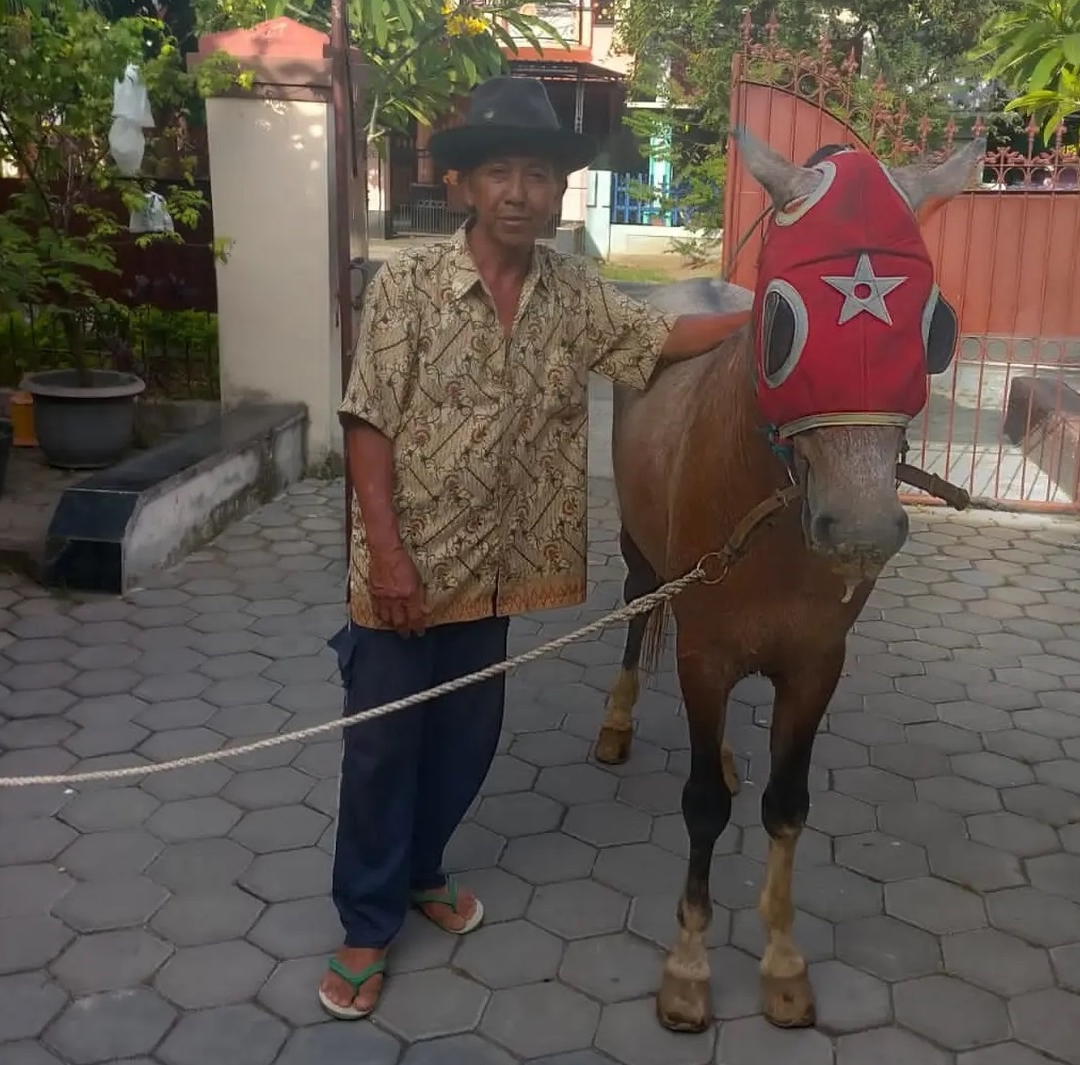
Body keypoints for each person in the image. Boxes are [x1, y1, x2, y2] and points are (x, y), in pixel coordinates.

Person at [318, 75, 752, 1020]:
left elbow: (661, 337)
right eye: (500, 172)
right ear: (465, 186)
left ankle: (422, 866)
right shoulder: (413, 287)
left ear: (560, 193)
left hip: (502, 571)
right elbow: (367, 424)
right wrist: (385, 553)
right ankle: (364, 920)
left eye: (540, 175)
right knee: (383, 746)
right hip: (407, 566)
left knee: (467, 740)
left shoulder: (571, 295)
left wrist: (768, 320)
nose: (520, 191)